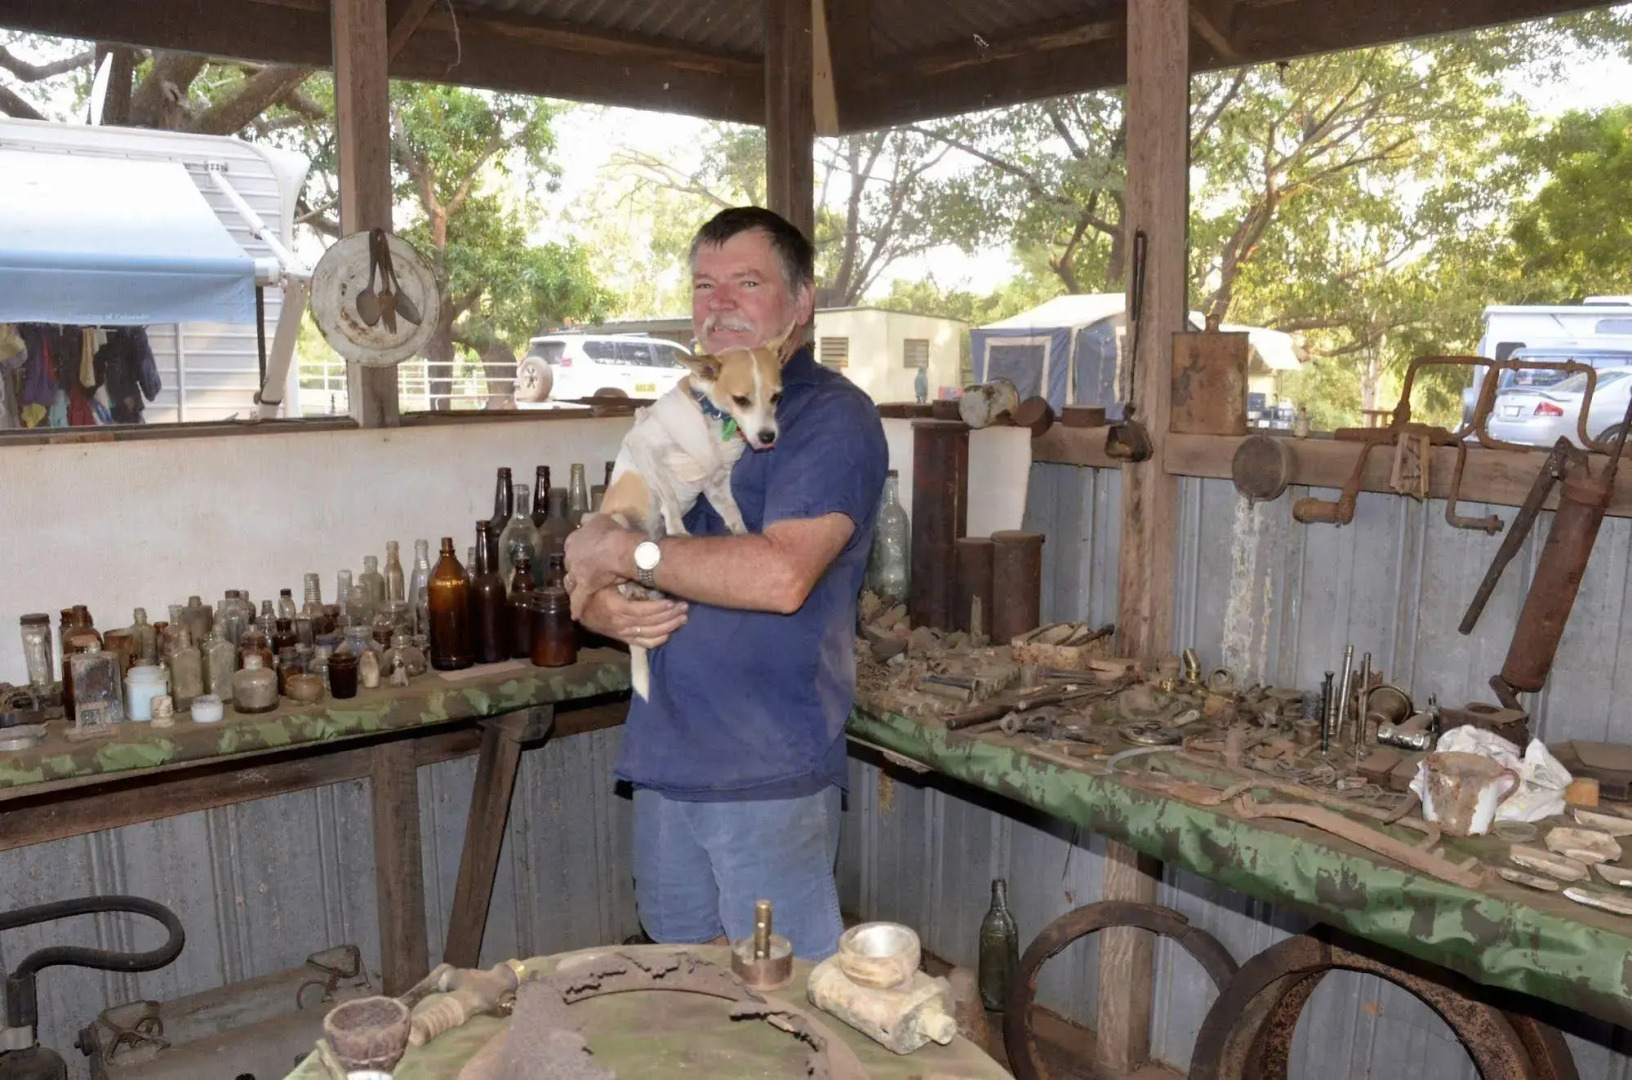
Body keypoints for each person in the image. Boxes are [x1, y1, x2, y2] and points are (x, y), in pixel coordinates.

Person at [563, 207, 888, 960]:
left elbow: (781, 574)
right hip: (667, 753)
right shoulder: (694, 403)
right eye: (704, 286)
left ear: (800, 301)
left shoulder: (829, 417)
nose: (719, 304)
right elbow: (598, 554)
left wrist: (629, 556)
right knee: (685, 980)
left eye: (747, 282)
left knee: (782, 992)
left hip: (764, 767)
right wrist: (600, 603)